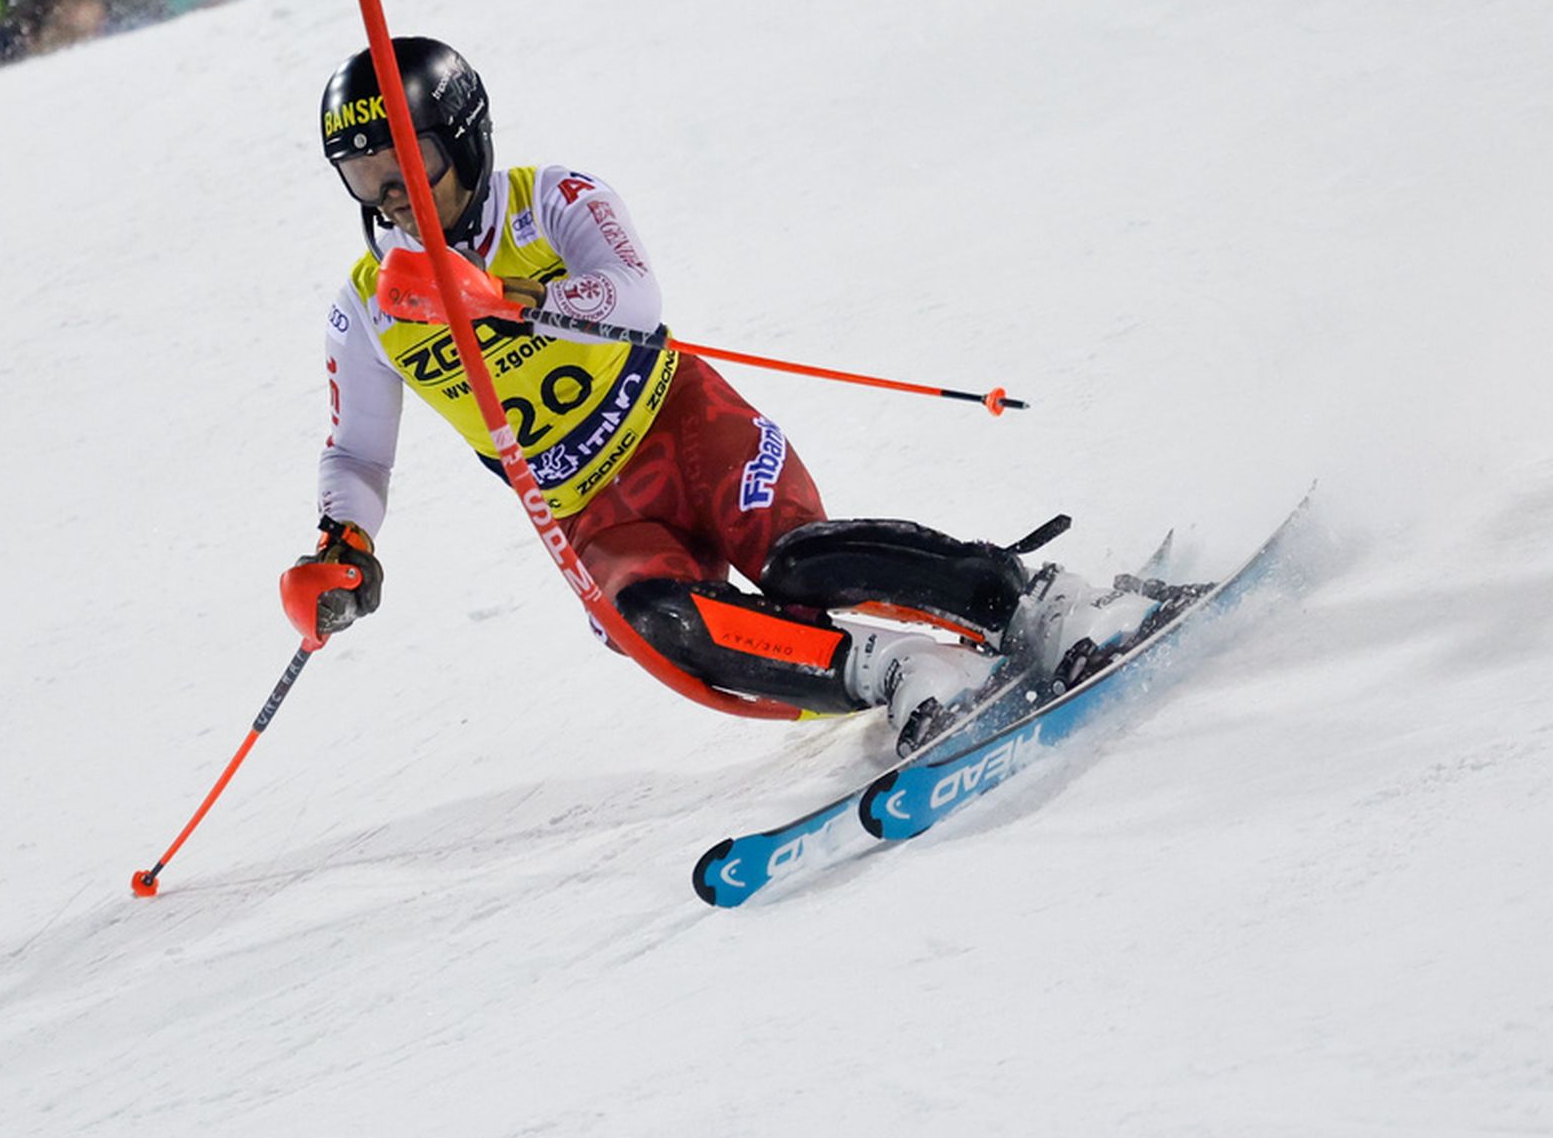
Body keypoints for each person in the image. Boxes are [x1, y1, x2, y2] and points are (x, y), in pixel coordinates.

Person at [290, 39, 1158, 734]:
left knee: (795, 562)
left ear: (467, 139)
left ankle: (1040, 604)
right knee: (658, 624)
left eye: (411, 167)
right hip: (594, 515)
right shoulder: (366, 310)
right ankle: (902, 670)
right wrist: (343, 548)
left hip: (687, 432)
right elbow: (358, 452)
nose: (392, 200)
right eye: (363, 180)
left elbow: (634, 297)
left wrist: (512, 298)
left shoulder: (550, 200)